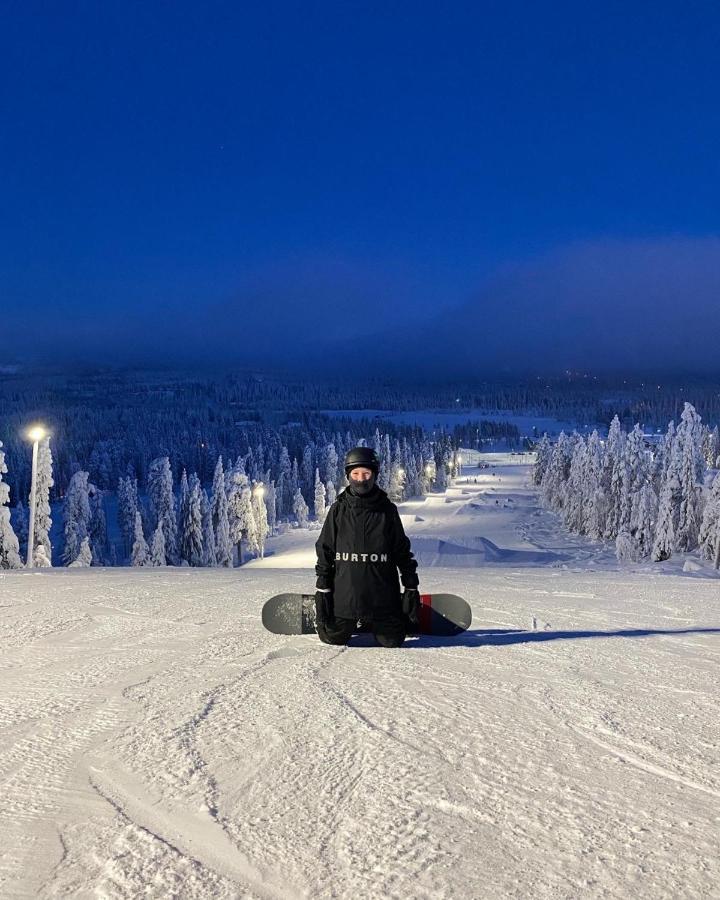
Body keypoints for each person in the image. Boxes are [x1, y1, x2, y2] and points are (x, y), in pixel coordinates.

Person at [314, 446, 420, 647]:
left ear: (374, 474)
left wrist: (410, 582)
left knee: (392, 641)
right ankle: (352, 618)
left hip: (382, 597)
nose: (361, 479)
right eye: (355, 473)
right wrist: (323, 585)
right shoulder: (338, 510)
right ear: (348, 476)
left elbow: (401, 549)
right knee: (332, 638)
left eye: (366, 473)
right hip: (346, 598)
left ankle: (386, 614)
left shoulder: (387, 510)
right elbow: (325, 547)